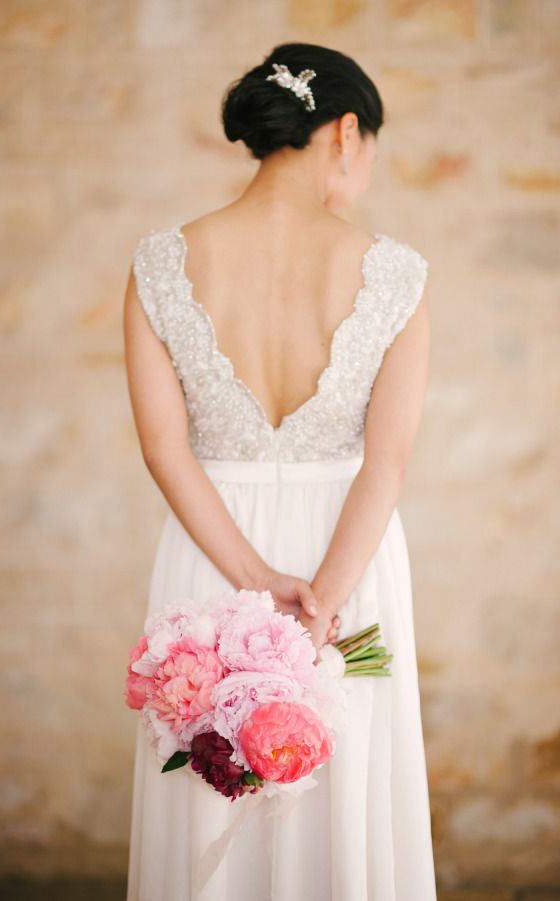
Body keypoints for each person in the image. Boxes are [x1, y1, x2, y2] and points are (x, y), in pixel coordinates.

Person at [123, 41, 437, 901]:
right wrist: (325, 598)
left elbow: (163, 447)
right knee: (341, 778)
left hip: (212, 557)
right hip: (350, 555)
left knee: (207, 782)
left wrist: (258, 581)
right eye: (368, 145)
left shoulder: (161, 263)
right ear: (344, 132)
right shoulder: (396, 275)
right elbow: (389, 458)